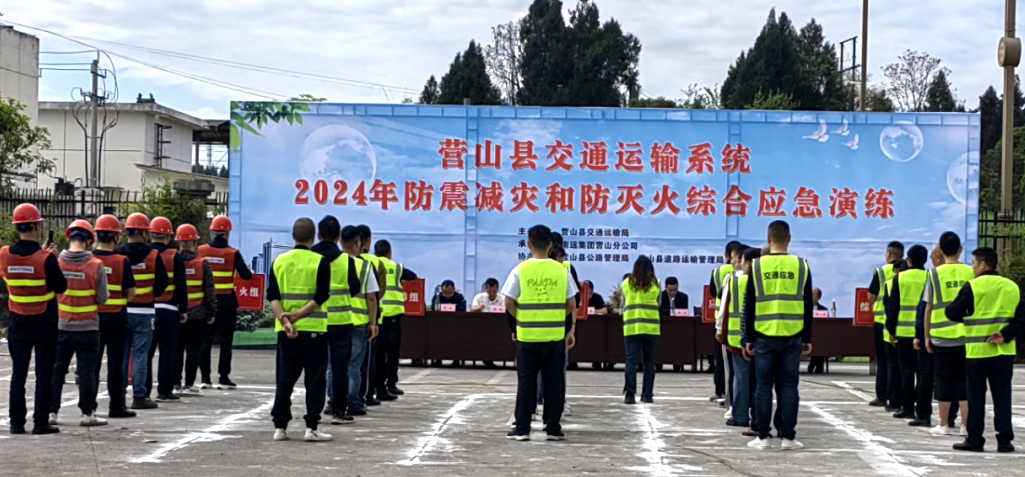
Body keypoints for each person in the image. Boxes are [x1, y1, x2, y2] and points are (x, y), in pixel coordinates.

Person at [945, 247, 1025, 453]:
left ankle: (975, 439)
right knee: (1003, 396)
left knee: (976, 397)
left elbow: (951, 312)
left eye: (973, 263)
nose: (972, 267)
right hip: (1004, 351)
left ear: (982, 264)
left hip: (978, 352)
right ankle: (1004, 441)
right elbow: (1021, 318)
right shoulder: (1012, 287)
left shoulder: (973, 286)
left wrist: (967, 312)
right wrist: (1005, 335)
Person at [502, 225, 577, 442]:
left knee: (526, 383)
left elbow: (508, 301)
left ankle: (522, 428)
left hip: (527, 336)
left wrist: (521, 318)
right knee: (554, 383)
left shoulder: (520, 270)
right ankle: (552, 427)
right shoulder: (561, 271)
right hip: (554, 336)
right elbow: (572, 303)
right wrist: (556, 317)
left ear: (529, 245)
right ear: (551, 245)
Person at [744, 221, 812, 450]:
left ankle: (763, 437)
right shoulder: (801, 265)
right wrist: (808, 338)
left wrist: (748, 338)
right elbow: (807, 305)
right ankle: (788, 438)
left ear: (768, 238)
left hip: (764, 334)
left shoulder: (756, 266)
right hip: (793, 334)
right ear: (789, 239)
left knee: (763, 387)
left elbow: (750, 304)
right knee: (789, 387)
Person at [1, 204, 67, 435]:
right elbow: (61, 286)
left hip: (17, 322)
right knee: (43, 374)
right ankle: (40, 422)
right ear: (38, 227)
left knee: (18, 374)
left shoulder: (4, 254)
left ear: (17, 227)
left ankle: (16, 422)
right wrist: (53, 258)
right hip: (44, 322)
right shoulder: (46, 258)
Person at [269, 218, 333, 442]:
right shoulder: (320, 262)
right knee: (315, 381)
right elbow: (321, 296)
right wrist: (297, 315)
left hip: (286, 332)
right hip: (314, 331)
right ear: (313, 238)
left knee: (284, 380)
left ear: (293, 236)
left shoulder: (279, 261)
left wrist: (286, 320)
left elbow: (273, 296)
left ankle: (280, 427)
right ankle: (311, 427)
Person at [49, 220, 109, 427]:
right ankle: (87, 414)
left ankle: (51, 412)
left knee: (57, 371)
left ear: (69, 238)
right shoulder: (96, 265)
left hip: (61, 327)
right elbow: (103, 298)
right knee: (87, 373)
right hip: (88, 328)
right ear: (89, 241)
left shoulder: (56, 262)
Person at [311, 216, 362, 423]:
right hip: (341, 321)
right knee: (340, 368)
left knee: (316, 369)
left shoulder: (310, 257)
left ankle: (314, 412)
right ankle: (339, 410)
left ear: (319, 235)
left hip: (314, 320)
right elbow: (355, 288)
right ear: (338, 237)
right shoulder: (347, 261)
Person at [116, 213, 169, 410]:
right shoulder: (153, 255)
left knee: (122, 355)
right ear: (145, 233)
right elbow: (162, 283)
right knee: (140, 355)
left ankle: (119, 393)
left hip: (122, 310)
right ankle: (139, 395)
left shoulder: (118, 254)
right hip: (145, 311)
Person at [924, 234, 973, 438]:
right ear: (961, 250)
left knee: (943, 380)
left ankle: (943, 424)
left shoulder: (934, 274)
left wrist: (926, 336)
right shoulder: (971, 272)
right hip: (967, 336)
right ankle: (965, 426)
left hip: (941, 336)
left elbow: (929, 307)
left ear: (941, 251)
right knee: (964, 381)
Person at [198, 215, 253, 389]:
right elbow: (246, 275)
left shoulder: (201, 251)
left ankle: (205, 378)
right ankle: (223, 378)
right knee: (225, 341)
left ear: (212, 232)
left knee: (205, 340)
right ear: (227, 233)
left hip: (206, 302)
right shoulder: (233, 253)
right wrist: (249, 271)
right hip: (227, 302)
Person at [91, 215, 137, 420]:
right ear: (116, 237)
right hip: (117, 318)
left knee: (92, 364)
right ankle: (116, 406)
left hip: (93, 318)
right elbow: (131, 291)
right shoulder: (121, 261)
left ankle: (89, 407)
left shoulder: (89, 259)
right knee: (116, 364)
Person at [885, 245, 929, 424]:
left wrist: (891, 330)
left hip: (903, 333)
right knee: (923, 374)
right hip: (924, 333)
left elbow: (892, 306)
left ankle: (907, 408)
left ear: (908, 260)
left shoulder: (900, 278)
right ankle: (922, 409)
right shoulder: (930, 277)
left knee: (906, 372)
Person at [173, 224, 217, 396]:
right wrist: (211, 312)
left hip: (177, 313)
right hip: (198, 313)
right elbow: (209, 290)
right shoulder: (202, 263)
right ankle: (189, 383)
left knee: (177, 349)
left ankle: (176, 383)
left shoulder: (173, 262)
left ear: (178, 243)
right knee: (193, 349)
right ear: (195, 243)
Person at [340, 226, 379, 417]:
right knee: (354, 365)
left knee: (334, 366)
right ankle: (352, 402)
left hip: (336, 321)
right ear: (358, 244)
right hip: (358, 322)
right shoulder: (364, 266)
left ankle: (333, 402)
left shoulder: (332, 263)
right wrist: (373, 322)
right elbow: (371, 298)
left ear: (340, 242)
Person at [149, 216, 189, 403]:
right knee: (167, 352)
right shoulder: (175, 256)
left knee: (145, 353)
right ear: (168, 236)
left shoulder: (145, 254)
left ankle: (143, 391)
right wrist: (183, 309)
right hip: (169, 309)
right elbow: (181, 286)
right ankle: (164, 391)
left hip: (146, 309)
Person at [375, 239, 418, 396]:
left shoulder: (371, 265)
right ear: (390, 253)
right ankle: (391, 384)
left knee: (378, 353)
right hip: (393, 315)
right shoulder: (397, 267)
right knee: (392, 352)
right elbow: (412, 276)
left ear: (375, 253)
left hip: (376, 316)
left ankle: (377, 385)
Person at [724, 247, 759, 434]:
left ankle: (740, 415)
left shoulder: (734, 280)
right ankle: (759, 417)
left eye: (741, 261)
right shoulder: (764, 281)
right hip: (764, 336)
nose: (737, 264)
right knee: (761, 381)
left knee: (741, 377)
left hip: (738, 336)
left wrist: (721, 333)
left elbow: (723, 309)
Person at [867, 241, 904, 408]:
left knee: (883, 361)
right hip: (902, 323)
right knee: (899, 363)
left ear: (888, 254)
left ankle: (882, 395)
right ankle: (897, 397)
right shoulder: (907, 271)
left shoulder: (881, 272)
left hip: (882, 321)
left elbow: (871, 297)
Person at [355, 225, 389, 404]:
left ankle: (338, 400)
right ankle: (366, 395)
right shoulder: (373, 264)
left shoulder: (340, 260)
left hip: (338, 319)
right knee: (368, 361)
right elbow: (377, 293)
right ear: (367, 241)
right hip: (366, 318)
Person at [621, 256, 660, 404]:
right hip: (651, 328)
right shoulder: (656, 284)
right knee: (649, 363)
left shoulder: (626, 283)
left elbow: (623, 303)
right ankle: (647, 395)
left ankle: (629, 394)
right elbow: (659, 303)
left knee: (631, 361)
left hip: (632, 327)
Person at [710, 241, 744, 403]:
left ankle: (722, 392)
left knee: (723, 362)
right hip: (743, 325)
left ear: (726, 254)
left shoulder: (719, 272)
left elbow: (714, 292)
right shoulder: (749, 274)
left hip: (723, 321)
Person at [807, 288, 829, 374]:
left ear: (819, 297)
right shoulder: (804, 308)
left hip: (820, 334)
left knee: (821, 340)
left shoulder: (824, 310)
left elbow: (826, 324)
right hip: (809, 333)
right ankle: (816, 361)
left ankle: (816, 361)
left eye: (813, 295)